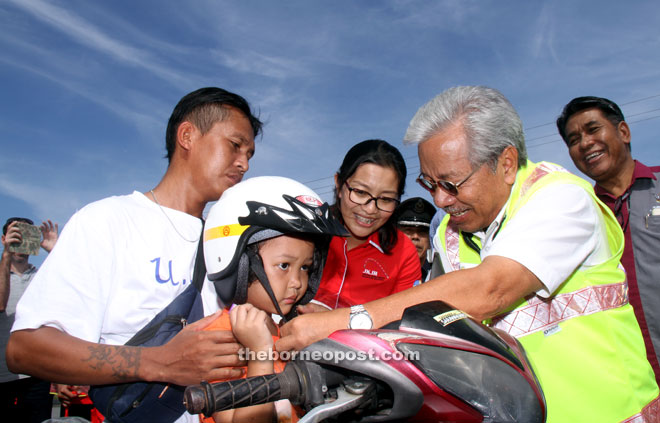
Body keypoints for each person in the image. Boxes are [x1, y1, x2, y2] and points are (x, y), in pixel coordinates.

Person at [276, 86, 659, 422]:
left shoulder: (561, 197)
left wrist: (349, 322)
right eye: (430, 183)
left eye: (451, 184)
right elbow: (429, 318)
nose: (441, 200)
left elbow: (490, 289)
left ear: (506, 163)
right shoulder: (449, 231)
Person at [7, 87, 263, 423]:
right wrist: (159, 362)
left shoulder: (228, 242)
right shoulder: (107, 220)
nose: (243, 163)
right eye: (234, 145)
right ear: (187, 135)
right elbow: (26, 349)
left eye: (249, 154)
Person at [198, 176, 346, 423]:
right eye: (284, 265)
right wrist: (259, 354)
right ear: (240, 263)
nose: (298, 281)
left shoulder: (287, 330)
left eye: (306, 268)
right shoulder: (220, 337)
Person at [557, 96, 660, 384]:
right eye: (574, 139)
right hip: (630, 381)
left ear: (623, 132)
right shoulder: (576, 216)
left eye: (593, 129)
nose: (585, 143)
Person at [307, 139, 421, 311]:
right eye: (360, 192)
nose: (370, 209)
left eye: (386, 199)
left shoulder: (404, 252)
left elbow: (402, 320)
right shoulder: (305, 229)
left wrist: (336, 320)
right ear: (339, 184)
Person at [1, 218, 58, 422]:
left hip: (37, 373)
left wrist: (55, 251)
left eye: (25, 234)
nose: (20, 239)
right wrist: (6, 255)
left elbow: (75, 294)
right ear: (3, 238)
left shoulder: (42, 274)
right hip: (4, 374)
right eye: (15, 234)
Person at [395, 197, 436, 282]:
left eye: (422, 231)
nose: (415, 236)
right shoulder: (381, 271)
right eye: (408, 231)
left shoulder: (439, 276)